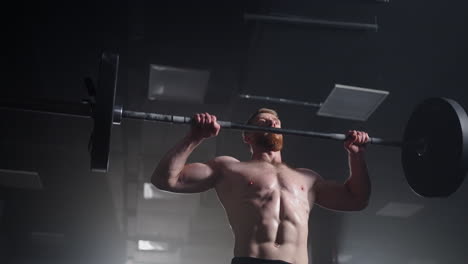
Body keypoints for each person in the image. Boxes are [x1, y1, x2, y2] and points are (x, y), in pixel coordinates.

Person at [152, 108, 370, 264]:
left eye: (276, 122)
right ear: (247, 135)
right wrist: (194, 137)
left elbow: (356, 200)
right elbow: (165, 179)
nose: (272, 123)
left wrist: (357, 156)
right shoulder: (229, 168)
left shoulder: (307, 178)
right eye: (263, 121)